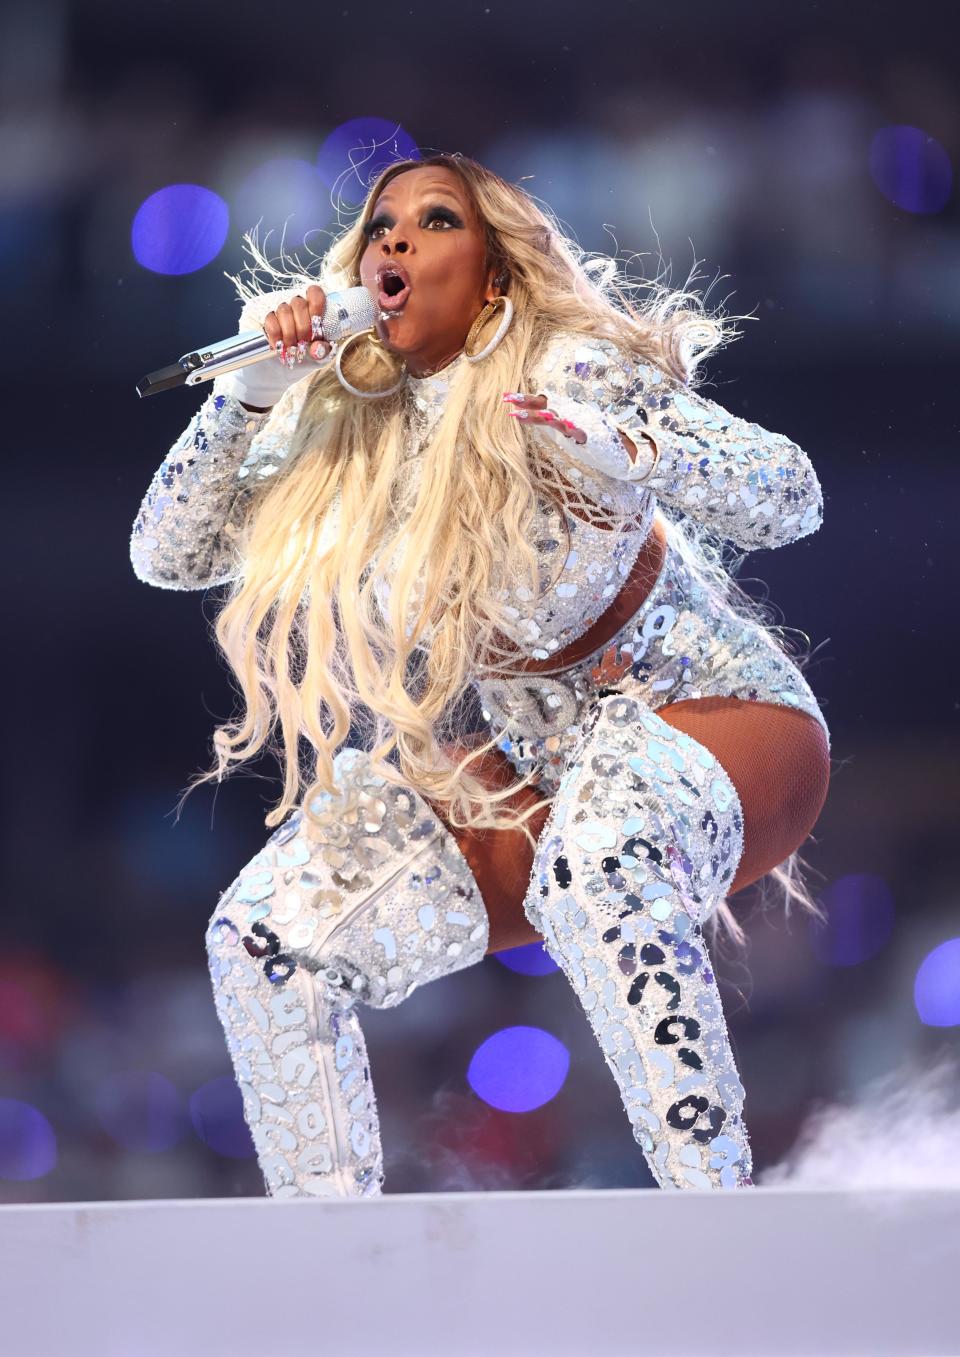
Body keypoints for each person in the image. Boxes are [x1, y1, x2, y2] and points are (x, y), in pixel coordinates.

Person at [130, 152, 831, 1196]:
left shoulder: (572, 373)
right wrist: (241, 401)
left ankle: (718, 1221)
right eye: (380, 226)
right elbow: (166, 556)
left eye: (435, 219)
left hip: (718, 716)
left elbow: (790, 495)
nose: (395, 242)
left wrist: (631, 451)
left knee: (599, 863)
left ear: (496, 276)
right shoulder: (341, 425)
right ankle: (334, 1266)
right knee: (269, 936)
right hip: (543, 766)